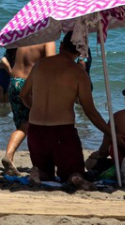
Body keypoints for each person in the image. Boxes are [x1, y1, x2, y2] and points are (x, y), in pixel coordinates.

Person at [19, 32, 110, 191]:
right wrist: (110, 132)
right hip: (62, 131)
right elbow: (90, 111)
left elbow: (23, 95)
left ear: (61, 45)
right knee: (73, 172)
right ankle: (75, 178)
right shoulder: (79, 73)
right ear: (81, 51)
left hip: (36, 130)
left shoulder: (40, 65)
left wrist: (35, 108)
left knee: (46, 172)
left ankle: (37, 173)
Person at [1, 40, 56, 176]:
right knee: (39, 123)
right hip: (29, 84)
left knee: (23, 125)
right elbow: (51, 66)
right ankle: (42, 161)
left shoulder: (26, 39)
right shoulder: (48, 41)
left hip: (14, 82)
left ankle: (9, 156)